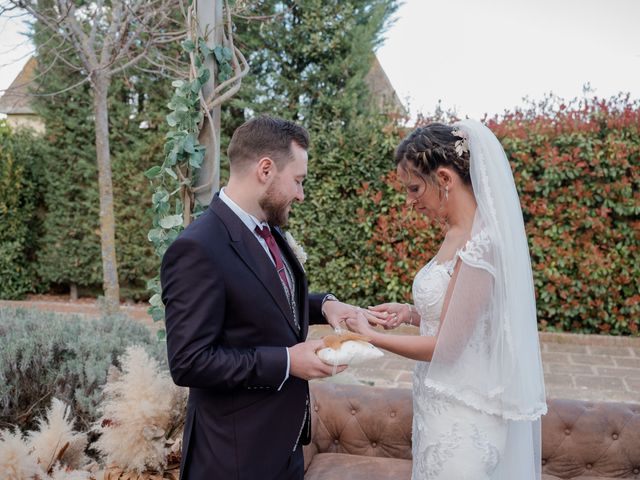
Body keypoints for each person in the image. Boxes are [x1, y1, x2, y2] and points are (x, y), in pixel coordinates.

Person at [347, 120, 547, 479]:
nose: (409, 202)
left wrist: (368, 336)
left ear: (444, 179)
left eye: (413, 188)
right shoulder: (456, 233)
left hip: (463, 418)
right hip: (436, 405)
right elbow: (461, 313)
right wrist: (410, 313)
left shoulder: (481, 244)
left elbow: (449, 346)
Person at [161, 115, 355, 480]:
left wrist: (326, 305)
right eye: (297, 181)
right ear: (265, 169)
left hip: (283, 446)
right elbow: (189, 361)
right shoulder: (197, 248)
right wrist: (286, 362)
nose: (301, 194)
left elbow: (266, 299)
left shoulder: (266, 228)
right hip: (234, 458)